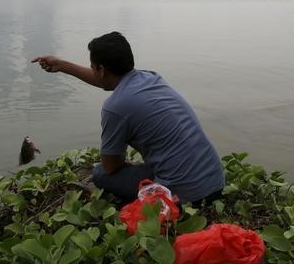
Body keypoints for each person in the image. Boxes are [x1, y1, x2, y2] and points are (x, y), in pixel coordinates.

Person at [32, 31, 224, 206]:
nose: (93, 71)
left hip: (186, 195)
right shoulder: (151, 78)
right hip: (214, 182)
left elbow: (110, 167)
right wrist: (62, 65)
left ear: (102, 70)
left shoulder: (115, 108)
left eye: (93, 67)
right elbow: (106, 81)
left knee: (100, 174)